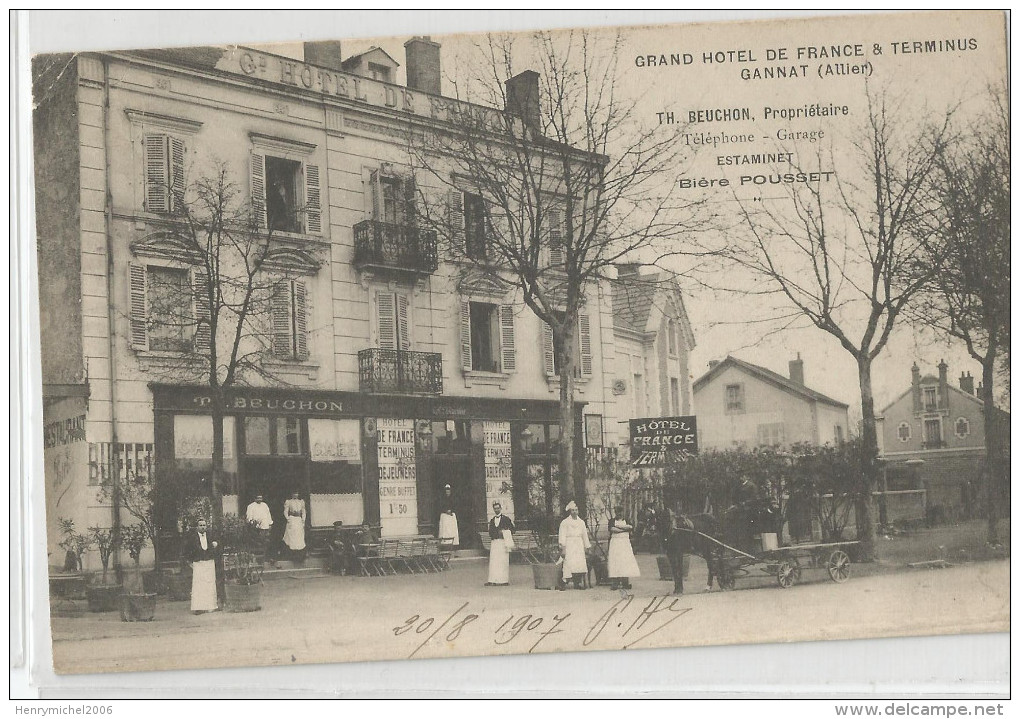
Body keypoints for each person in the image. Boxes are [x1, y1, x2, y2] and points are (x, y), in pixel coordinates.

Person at [183, 517, 219, 614]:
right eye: (200, 525)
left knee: (210, 583)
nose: (202, 527)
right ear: (197, 527)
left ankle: (211, 606)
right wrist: (190, 562)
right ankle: (198, 607)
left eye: (204, 525)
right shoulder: (192, 538)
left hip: (209, 562)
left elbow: (215, 548)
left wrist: (214, 546)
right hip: (198, 563)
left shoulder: (211, 536)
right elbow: (187, 551)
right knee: (198, 585)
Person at [558, 501, 591, 589]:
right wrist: (563, 547)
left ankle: (577, 583)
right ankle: (564, 582)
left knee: (579, 563)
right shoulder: (565, 522)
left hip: (579, 544)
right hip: (569, 544)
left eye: (576, 510)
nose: (575, 512)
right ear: (570, 512)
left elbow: (584, 535)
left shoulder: (581, 522)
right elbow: (562, 535)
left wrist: (587, 547)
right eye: (573, 510)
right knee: (568, 562)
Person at [607, 507, 641, 590]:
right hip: (615, 543)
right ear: (615, 513)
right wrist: (624, 529)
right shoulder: (611, 521)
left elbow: (630, 528)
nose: (619, 514)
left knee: (625, 562)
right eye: (617, 512)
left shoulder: (627, 520)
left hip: (625, 543)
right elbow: (612, 529)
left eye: (621, 512)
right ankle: (615, 583)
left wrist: (620, 527)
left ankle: (625, 582)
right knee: (615, 561)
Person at [485, 501, 515, 586]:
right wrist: (496, 534)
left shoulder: (506, 519)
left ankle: (503, 580)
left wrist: (504, 532)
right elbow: (490, 532)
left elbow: (513, 530)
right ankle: (493, 580)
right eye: (495, 509)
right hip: (495, 542)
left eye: (498, 508)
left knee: (503, 561)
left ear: (501, 508)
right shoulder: (492, 520)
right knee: (494, 561)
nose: (496, 510)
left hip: (503, 542)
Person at [245, 494, 273, 559]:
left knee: (266, 541)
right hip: (256, 528)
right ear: (255, 499)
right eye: (258, 498)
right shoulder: (251, 506)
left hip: (265, 526)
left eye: (261, 498)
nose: (260, 499)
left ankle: (266, 556)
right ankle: (258, 557)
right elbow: (249, 517)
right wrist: (253, 524)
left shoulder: (264, 505)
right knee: (258, 541)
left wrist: (270, 523)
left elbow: (268, 515)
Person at [282, 491, 306, 562]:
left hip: (299, 520)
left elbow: (304, 512)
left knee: (299, 537)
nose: (295, 495)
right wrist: (288, 518)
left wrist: (303, 520)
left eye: (297, 493)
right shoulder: (289, 502)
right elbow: (285, 511)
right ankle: (292, 555)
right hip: (292, 520)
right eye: (294, 493)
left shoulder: (301, 502)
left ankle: (300, 556)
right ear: (292, 494)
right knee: (292, 537)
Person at [437, 484, 459, 551]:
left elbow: (455, 506)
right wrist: (445, 511)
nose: (448, 493)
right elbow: (440, 507)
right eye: (446, 492)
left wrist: (451, 511)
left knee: (452, 531)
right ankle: (445, 546)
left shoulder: (453, 499)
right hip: (445, 517)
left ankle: (453, 545)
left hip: (451, 517)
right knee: (445, 531)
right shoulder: (441, 499)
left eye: (449, 492)